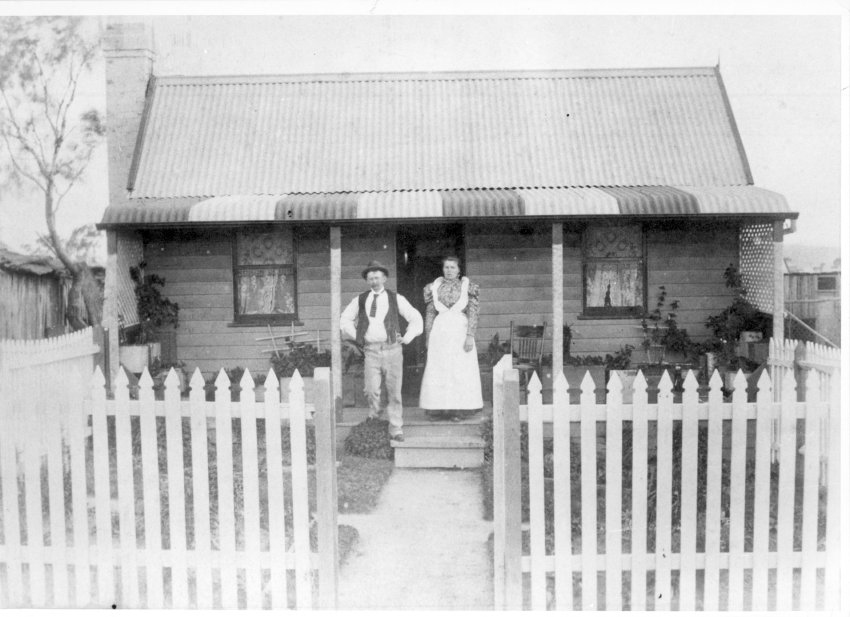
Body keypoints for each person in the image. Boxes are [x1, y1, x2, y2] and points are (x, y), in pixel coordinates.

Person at [340, 260, 423, 442]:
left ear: (384, 278)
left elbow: (415, 318)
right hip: (371, 351)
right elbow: (344, 319)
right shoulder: (361, 299)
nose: (374, 281)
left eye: (377, 278)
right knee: (371, 390)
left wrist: (407, 337)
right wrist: (358, 336)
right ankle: (375, 420)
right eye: (370, 278)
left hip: (393, 349)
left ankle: (396, 429)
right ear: (367, 281)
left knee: (394, 392)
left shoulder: (395, 298)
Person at [419, 256, 483, 420]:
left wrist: (470, 336)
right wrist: (428, 336)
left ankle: (458, 409)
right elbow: (430, 313)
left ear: (459, 270)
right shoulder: (434, 287)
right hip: (439, 333)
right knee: (439, 369)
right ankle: (438, 409)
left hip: (460, 332)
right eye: (446, 267)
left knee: (459, 369)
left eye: (452, 267)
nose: (449, 270)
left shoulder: (467, 287)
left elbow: (473, 312)